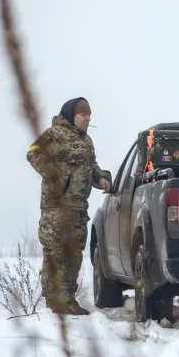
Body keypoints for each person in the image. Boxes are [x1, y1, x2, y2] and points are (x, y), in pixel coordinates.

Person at [26, 97, 111, 314]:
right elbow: (33, 152)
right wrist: (56, 176)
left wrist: (100, 177)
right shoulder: (55, 134)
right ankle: (54, 302)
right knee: (56, 253)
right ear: (72, 115)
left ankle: (68, 300)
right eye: (84, 115)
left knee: (73, 254)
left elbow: (92, 166)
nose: (88, 118)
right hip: (56, 208)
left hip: (78, 209)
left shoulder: (87, 141)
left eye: (90, 115)